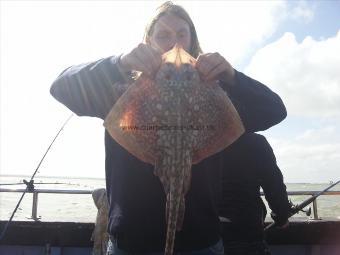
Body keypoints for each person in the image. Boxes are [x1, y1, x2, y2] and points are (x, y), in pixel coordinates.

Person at [50, 2, 287, 254]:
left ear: (192, 40)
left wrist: (232, 76)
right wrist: (118, 63)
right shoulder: (120, 91)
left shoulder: (217, 93)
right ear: (147, 42)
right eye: (163, 35)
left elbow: (273, 110)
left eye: (181, 34)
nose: (174, 43)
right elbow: (61, 87)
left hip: (200, 240)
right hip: (132, 240)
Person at [210, 133, 291, 255]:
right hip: (246, 228)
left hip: (206, 230)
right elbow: (273, 184)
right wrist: (282, 217)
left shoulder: (203, 142)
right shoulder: (256, 142)